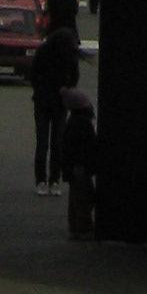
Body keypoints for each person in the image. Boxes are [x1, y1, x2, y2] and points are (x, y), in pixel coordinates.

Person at [29, 0, 80, 195]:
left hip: (42, 100)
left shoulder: (43, 51)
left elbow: (33, 75)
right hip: (59, 100)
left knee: (42, 142)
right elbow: (74, 76)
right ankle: (54, 181)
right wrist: (67, 88)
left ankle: (41, 181)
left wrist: (41, 88)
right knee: (57, 142)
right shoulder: (68, 54)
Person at [61, 85, 98, 238]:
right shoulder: (82, 123)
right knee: (84, 197)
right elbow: (82, 147)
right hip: (81, 167)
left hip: (75, 167)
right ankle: (83, 227)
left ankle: (76, 226)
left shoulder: (74, 122)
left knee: (77, 197)